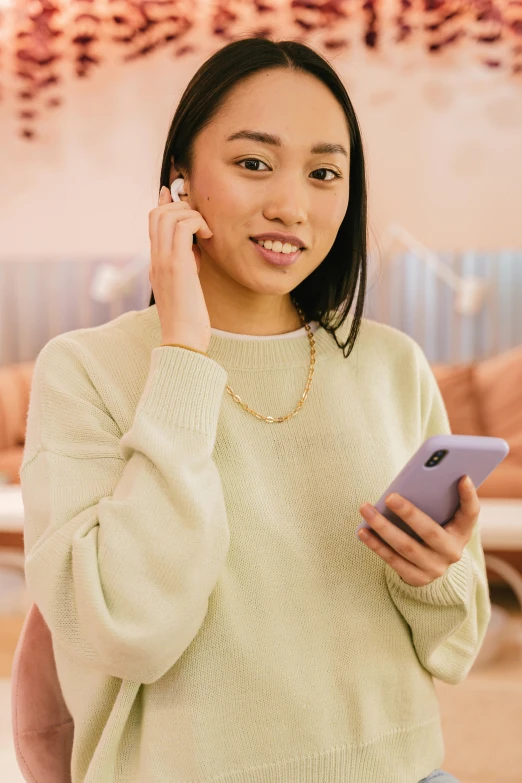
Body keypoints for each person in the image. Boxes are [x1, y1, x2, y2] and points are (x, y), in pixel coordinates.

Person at [20, 36, 490, 783]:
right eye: (253, 162)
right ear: (179, 179)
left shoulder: (391, 365)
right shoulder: (84, 371)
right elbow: (133, 632)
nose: (291, 204)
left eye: (324, 172)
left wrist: (434, 573)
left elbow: (454, 646)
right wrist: (182, 354)